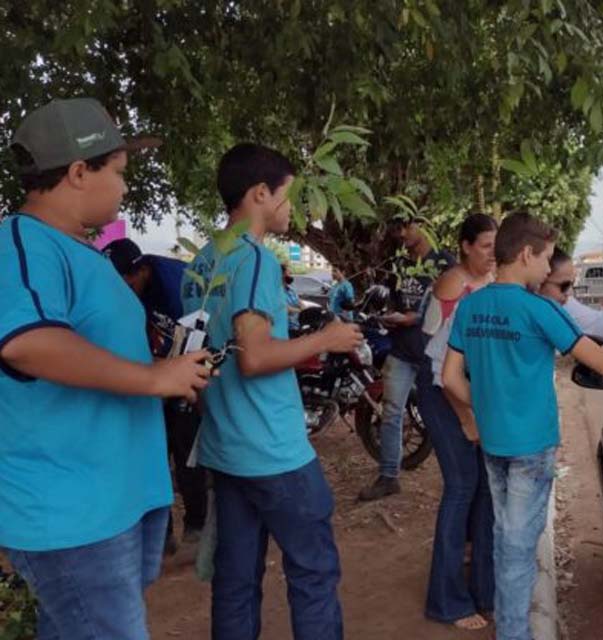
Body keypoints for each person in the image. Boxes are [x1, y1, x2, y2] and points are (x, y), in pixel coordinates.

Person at [0, 97, 211, 640]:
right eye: (118, 173)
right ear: (77, 173)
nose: (124, 187)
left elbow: (95, 354)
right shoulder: (21, 245)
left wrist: (168, 368)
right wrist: (153, 378)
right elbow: (28, 343)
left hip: (115, 499)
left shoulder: (78, 252)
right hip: (73, 512)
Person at [442, 212, 603, 640]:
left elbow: (450, 379)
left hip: (494, 443)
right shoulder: (537, 309)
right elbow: (602, 362)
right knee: (517, 547)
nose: (549, 270)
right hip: (531, 446)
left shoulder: (471, 305)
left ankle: (511, 626)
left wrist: (487, 408)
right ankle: (513, 634)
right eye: (546, 259)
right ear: (526, 254)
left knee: (503, 535)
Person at [181, 143, 362, 640]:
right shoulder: (255, 259)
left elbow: (192, 358)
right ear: (260, 193)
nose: (291, 208)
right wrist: (327, 338)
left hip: (225, 449)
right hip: (274, 451)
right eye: (287, 196)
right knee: (313, 572)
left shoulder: (200, 264)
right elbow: (255, 356)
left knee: (236, 581)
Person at [418, 213, 498, 630]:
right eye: (484, 246)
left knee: (485, 488)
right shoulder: (453, 287)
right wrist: (466, 418)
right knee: (463, 485)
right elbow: (438, 365)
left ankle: (486, 590)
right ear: (466, 246)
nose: (491, 254)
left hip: (467, 387)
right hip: (441, 388)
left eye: (496, 247)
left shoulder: (499, 286)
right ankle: (446, 600)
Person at [104, 237, 208, 554]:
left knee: (186, 448)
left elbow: (200, 338)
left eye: (123, 280)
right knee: (153, 454)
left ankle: (197, 526)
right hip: (152, 375)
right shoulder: (126, 294)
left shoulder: (178, 285)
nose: (119, 289)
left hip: (187, 366)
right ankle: (162, 534)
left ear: (141, 271)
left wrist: (185, 382)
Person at [358, 215, 455, 501]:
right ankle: (389, 476)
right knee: (390, 413)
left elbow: (450, 307)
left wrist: (418, 317)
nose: (401, 233)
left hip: (432, 353)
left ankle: (456, 482)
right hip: (400, 350)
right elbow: (394, 301)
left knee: (440, 417)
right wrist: (391, 317)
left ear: (424, 226)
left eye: (407, 227)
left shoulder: (444, 263)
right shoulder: (400, 264)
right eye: (399, 227)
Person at [282, 263, 304, 332]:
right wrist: (300, 310)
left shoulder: (291, 290)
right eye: (289, 273)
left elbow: (300, 303)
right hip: (286, 330)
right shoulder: (275, 292)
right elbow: (285, 309)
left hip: (297, 327)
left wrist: (302, 308)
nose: (291, 275)